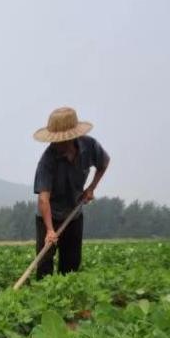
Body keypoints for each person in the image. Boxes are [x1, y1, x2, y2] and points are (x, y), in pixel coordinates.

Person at [32, 107, 110, 278]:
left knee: (71, 263)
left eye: (61, 140)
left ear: (72, 137)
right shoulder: (47, 161)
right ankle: (44, 296)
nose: (57, 144)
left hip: (74, 213)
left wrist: (91, 188)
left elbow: (104, 163)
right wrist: (50, 230)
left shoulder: (89, 146)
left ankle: (67, 298)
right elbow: (43, 199)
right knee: (44, 262)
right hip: (49, 215)